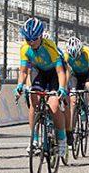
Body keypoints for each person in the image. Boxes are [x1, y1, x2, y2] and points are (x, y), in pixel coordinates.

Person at [13, 18, 68, 157]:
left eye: (34, 39)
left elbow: (60, 71)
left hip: (54, 74)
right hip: (40, 73)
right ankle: (34, 139)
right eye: (27, 39)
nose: (30, 42)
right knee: (33, 101)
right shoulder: (25, 48)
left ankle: (62, 139)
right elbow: (24, 71)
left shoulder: (50, 47)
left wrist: (61, 88)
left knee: (54, 106)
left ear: (41, 36)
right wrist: (20, 85)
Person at [63, 37, 89, 124]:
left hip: (87, 74)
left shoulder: (86, 52)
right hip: (75, 75)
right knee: (73, 101)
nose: (75, 59)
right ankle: (72, 130)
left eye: (77, 56)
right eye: (72, 57)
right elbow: (64, 72)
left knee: (88, 86)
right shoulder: (65, 55)